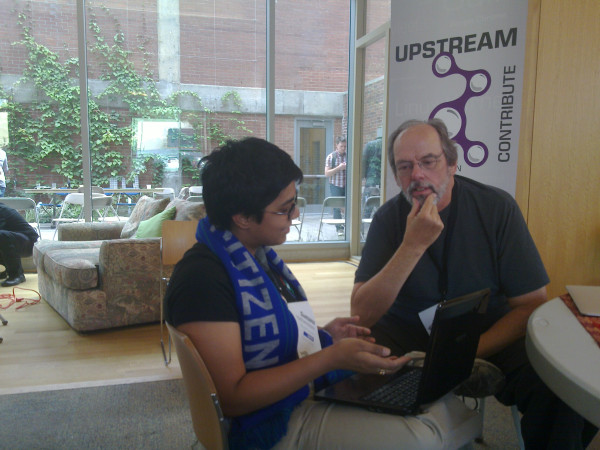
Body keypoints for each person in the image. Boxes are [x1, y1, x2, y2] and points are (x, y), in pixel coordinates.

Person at [164, 137, 481, 450]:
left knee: (448, 408)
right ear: (242, 217)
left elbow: (263, 341)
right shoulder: (203, 280)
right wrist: (329, 357)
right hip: (264, 426)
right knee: (424, 437)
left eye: (294, 204)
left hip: (290, 399)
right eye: (285, 210)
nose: (295, 216)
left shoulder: (253, 259)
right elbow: (233, 398)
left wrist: (324, 335)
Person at [351, 118, 598, 449]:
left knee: (558, 389)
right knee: (354, 368)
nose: (418, 175)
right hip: (409, 333)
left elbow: (531, 303)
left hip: (487, 331)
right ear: (396, 175)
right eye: (405, 167)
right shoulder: (387, 220)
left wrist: (466, 353)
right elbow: (361, 313)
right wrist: (412, 246)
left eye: (428, 161)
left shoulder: (496, 208)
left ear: (452, 164)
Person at [0, 203, 38, 287]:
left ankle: (17, 275)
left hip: (28, 243)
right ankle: (3, 272)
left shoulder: (1, 210)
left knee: (1, 235)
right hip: (13, 239)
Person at [324, 136, 347, 236]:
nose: (343, 148)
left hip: (347, 185)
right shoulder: (331, 157)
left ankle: (348, 225)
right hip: (335, 185)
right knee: (337, 206)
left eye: (345, 146)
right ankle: (339, 228)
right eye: (341, 146)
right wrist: (339, 168)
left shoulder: (349, 156)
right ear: (336, 145)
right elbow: (327, 174)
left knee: (348, 206)